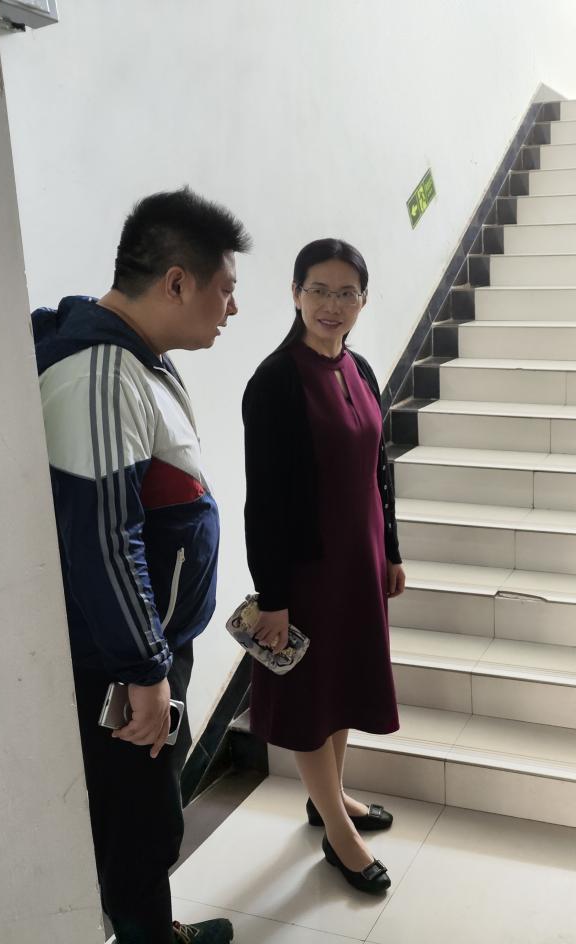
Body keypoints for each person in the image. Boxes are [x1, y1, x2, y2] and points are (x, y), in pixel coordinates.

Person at [33, 187, 250, 944]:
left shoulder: (136, 360)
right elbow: (103, 535)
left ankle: (155, 930)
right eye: (225, 289)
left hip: (147, 645)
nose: (232, 308)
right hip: (122, 662)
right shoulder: (99, 371)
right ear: (177, 282)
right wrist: (145, 669)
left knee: (146, 816)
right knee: (136, 823)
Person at [241, 238, 405, 896]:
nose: (332, 305)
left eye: (346, 293)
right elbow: (263, 500)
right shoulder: (275, 381)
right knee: (313, 695)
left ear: (363, 300)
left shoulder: (359, 367)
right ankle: (337, 830)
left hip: (360, 559)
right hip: (307, 570)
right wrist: (273, 596)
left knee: (343, 681)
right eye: (318, 290)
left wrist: (391, 548)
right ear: (295, 293)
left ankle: (329, 797)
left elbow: (378, 467)